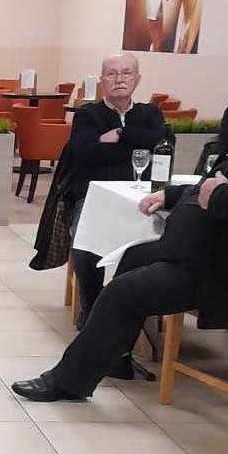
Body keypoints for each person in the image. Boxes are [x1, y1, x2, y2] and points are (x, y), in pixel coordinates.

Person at [13, 64, 228, 405]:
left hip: (220, 269)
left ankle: (68, 382)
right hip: (190, 251)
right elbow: (206, 185)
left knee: (122, 292)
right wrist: (171, 195)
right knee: (128, 256)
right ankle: (114, 355)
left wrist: (217, 193)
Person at [62, 53, 167, 339]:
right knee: (83, 240)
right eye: (112, 73)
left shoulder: (150, 113)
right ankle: (92, 305)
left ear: (137, 78)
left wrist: (119, 135)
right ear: (102, 80)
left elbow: (162, 144)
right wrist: (136, 142)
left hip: (144, 198)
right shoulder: (88, 115)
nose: (120, 79)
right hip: (94, 197)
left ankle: (135, 305)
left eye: (126, 73)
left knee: (168, 235)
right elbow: (85, 154)